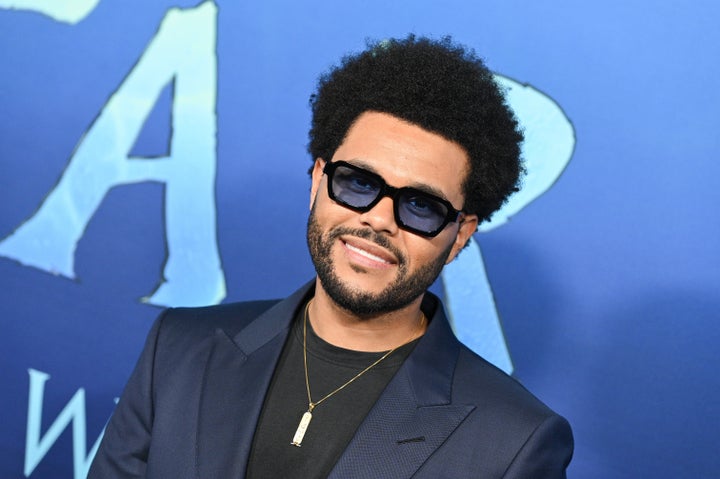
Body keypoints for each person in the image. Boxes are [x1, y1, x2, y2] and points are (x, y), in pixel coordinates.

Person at [89, 35, 573, 478]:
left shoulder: (514, 442)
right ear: (318, 180)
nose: (379, 219)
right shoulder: (178, 348)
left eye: (421, 206)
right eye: (359, 182)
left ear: (460, 234)